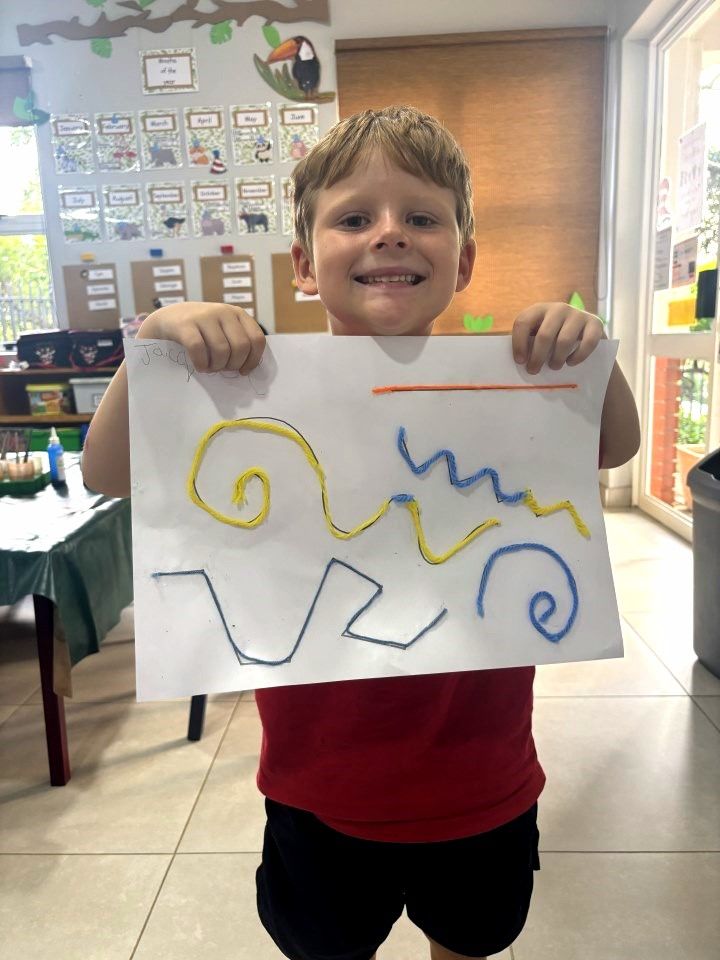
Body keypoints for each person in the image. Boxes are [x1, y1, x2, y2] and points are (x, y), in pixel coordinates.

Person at [82, 106, 640, 960]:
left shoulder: (519, 388)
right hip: (319, 792)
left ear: (464, 259)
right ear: (305, 262)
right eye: (354, 218)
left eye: (422, 217)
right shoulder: (244, 385)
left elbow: (616, 444)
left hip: (483, 784)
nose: (390, 235)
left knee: (470, 943)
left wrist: (588, 354)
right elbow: (108, 473)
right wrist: (150, 355)